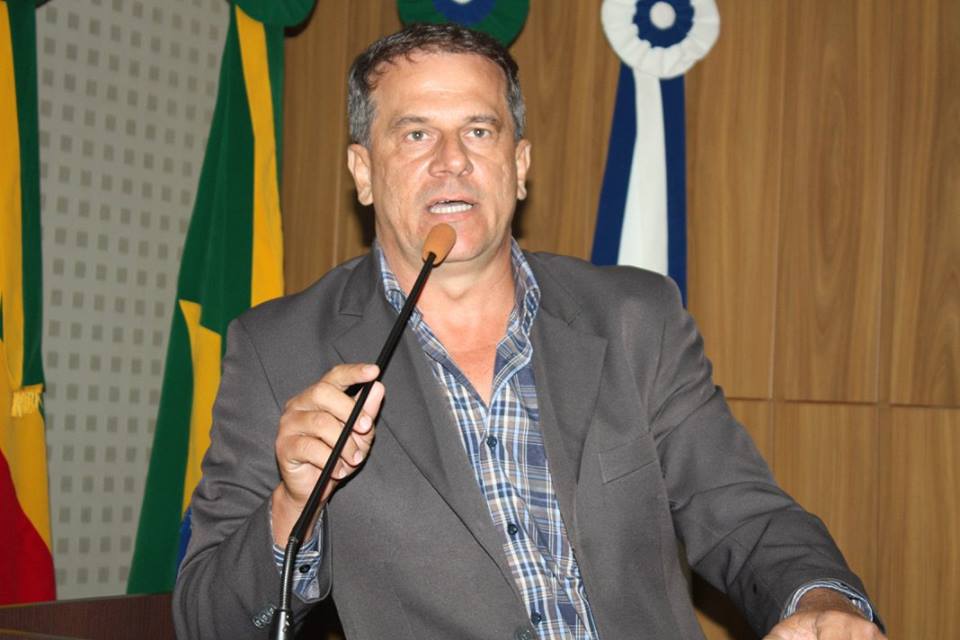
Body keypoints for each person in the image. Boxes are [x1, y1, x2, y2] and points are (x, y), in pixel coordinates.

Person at [173, 23, 885, 640]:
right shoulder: (279, 350)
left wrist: (820, 599)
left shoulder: (636, 318)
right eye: (416, 133)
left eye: (479, 131)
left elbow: (738, 511)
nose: (452, 160)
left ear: (518, 166)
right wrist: (292, 508)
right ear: (363, 171)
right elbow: (206, 620)